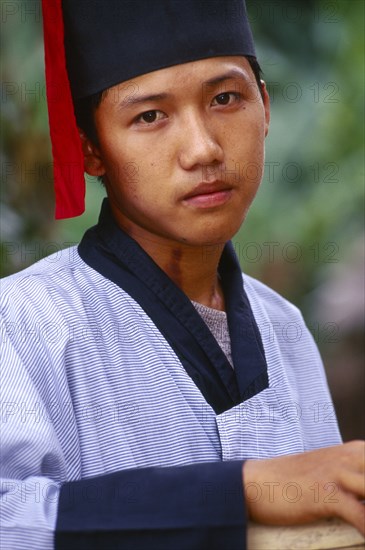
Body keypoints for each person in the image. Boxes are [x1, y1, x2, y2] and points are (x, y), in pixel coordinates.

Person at [1, 1, 364, 549]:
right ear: (90, 149)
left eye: (225, 98)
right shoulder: (23, 322)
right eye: (150, 116)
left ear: (264, 106)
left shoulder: (283, 326)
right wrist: (241, 490)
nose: (203, 149)